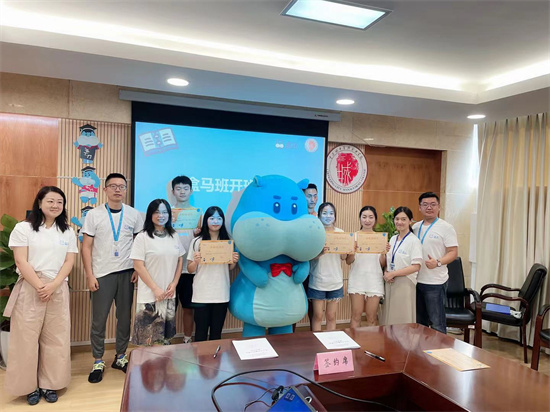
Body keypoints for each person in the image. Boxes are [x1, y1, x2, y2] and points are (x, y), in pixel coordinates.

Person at [6, 186, 78, 405]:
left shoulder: (68, 231)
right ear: (39, 203)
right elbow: (20, 260)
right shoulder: (23, 228)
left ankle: (50, 384)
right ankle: (29, 387)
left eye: (60, 202)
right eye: (50, 201)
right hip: (31, 286)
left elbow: (69, 261)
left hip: (58, 287)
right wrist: (40, 286)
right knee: (26, 340)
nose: (55, 205)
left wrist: (53, 285)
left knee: (56, 338)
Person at [81, 173, 144, 383]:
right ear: (105, 189)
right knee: (99, 319)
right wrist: (90, 275)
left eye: (121, 186)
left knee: (124, 318)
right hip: (102, 274)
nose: (118, 189)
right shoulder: (94, 215)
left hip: (127, 273)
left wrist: (137, 269)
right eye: (113, 186)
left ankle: (121, 356)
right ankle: (98, 360)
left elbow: (140, 245)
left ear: (126, 189)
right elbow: (86, 247)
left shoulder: (134, 214)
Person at [130, 199, 184, 346]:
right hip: (150, 295)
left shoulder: (174, 235)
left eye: (164, 212)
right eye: (157, 212)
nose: (161, 215)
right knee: (148, 340)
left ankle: (162, 361)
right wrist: (155, 289)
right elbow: (138, 265)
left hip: (168, 293)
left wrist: (174, 284)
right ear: (150, 215)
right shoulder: (142, 237)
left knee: (164, 338)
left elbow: (180, 260)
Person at [186, 207, 239, 342]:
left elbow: (230, 268)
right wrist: (196, 261)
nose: (216, 221)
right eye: (212, 218)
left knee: (216, 333)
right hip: (201, 294)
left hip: (221, 293)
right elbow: (190, 269)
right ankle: (201, 357)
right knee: (200, 333)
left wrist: (234, 261)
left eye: (219, 218)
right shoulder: (197, 241)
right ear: (206, 220)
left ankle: (215, 356)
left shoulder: (227, 241)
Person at [413, 192, 458, 334]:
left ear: (439, 207)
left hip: (435, 283)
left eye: (433, 204)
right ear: (419, 207)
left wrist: (438, 262)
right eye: (425, 204)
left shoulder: (446, 227)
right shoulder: (415, 227)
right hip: (415, 281)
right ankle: (421, 348)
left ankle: (439, 349)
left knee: (437, 324)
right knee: (419, 324)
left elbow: (453, 252)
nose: (429, 207)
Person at [346, 206, 389, 328]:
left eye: (371, 217)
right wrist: (352, 251)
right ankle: (354, 340)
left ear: (375, 219)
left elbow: (382, 264)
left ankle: (372, 341)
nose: (367, 220)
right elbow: (348, 261)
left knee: (372, 317)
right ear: (360, 218)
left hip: (374, 279)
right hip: (357, 279)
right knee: (356, 315)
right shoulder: (353, 236)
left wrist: (383, 252)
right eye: (364, 217)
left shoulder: (380, 238)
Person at [307, 202, 347, 332]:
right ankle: (316, 341)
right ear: (319, 216)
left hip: (335, 281)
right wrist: (321, 253)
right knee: (317, 315)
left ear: (335, 216)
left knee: (331, 316)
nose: (328, 216)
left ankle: (331, 341)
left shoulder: (340, 233)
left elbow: (343, 257)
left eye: (331, 213)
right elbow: (308, 257)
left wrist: (348, 249)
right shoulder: (315, 233)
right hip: (317, 281)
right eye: (324, 213)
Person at [381, 206, 423, 326]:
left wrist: (393, 273)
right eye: (397, 219)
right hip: (390, 281)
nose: (399, 222)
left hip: (405, 283)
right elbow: (388, 261)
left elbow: (416, 266)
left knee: (402, 319)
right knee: (389, 318)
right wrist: (386, 272)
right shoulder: (393, 239)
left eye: (403, 219)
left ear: (410, 221)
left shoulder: (414, 241)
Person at [170, 175, 200, 344]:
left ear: (191, 191)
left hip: (190, 269)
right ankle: (166, 339)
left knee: (189, 307)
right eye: (178, 188)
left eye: (185, 188)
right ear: (173, 191)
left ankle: (187, 339)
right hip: (170, 268)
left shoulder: (197, 213)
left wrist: (199, 232)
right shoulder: (167, 213)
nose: (182, 191)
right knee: (169, 308)